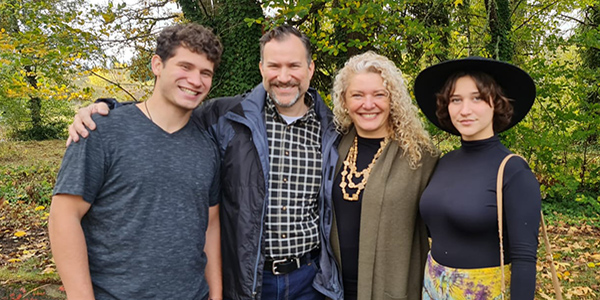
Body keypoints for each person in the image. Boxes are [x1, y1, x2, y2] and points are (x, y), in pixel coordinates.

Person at [66, 25, 343, 300]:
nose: (284, 77)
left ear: (310, 69)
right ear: (261, 69)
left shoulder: (334, 129)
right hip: (250, 280)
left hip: (309, 278)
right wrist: (107, 109)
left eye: (293, 65)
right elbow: (162, 115)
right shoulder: (226, 117)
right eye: (274, 66)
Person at [49, 23, 224, 300]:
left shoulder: (207, 147)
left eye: (206, 73)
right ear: (157, 65)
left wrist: (216, 295)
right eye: (185, 67)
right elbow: (64, 215)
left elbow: (211, 225)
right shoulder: (100, 131)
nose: (196, 80)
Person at [414, 57, 541, 299]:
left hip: (484, 292)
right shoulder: (444, 162)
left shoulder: (513, 171)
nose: (465, 110)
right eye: (455, 100)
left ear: (497, 104)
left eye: (477, 98)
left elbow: (525, 259)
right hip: (433, 288)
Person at [316, 51, 439, 300]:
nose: (368, 104)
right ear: (344, 101)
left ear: (393, 99)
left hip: (394, 290)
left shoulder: (420, 157)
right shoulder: (333, 147)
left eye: (379, 94)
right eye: (357, 95)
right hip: (333, 290)